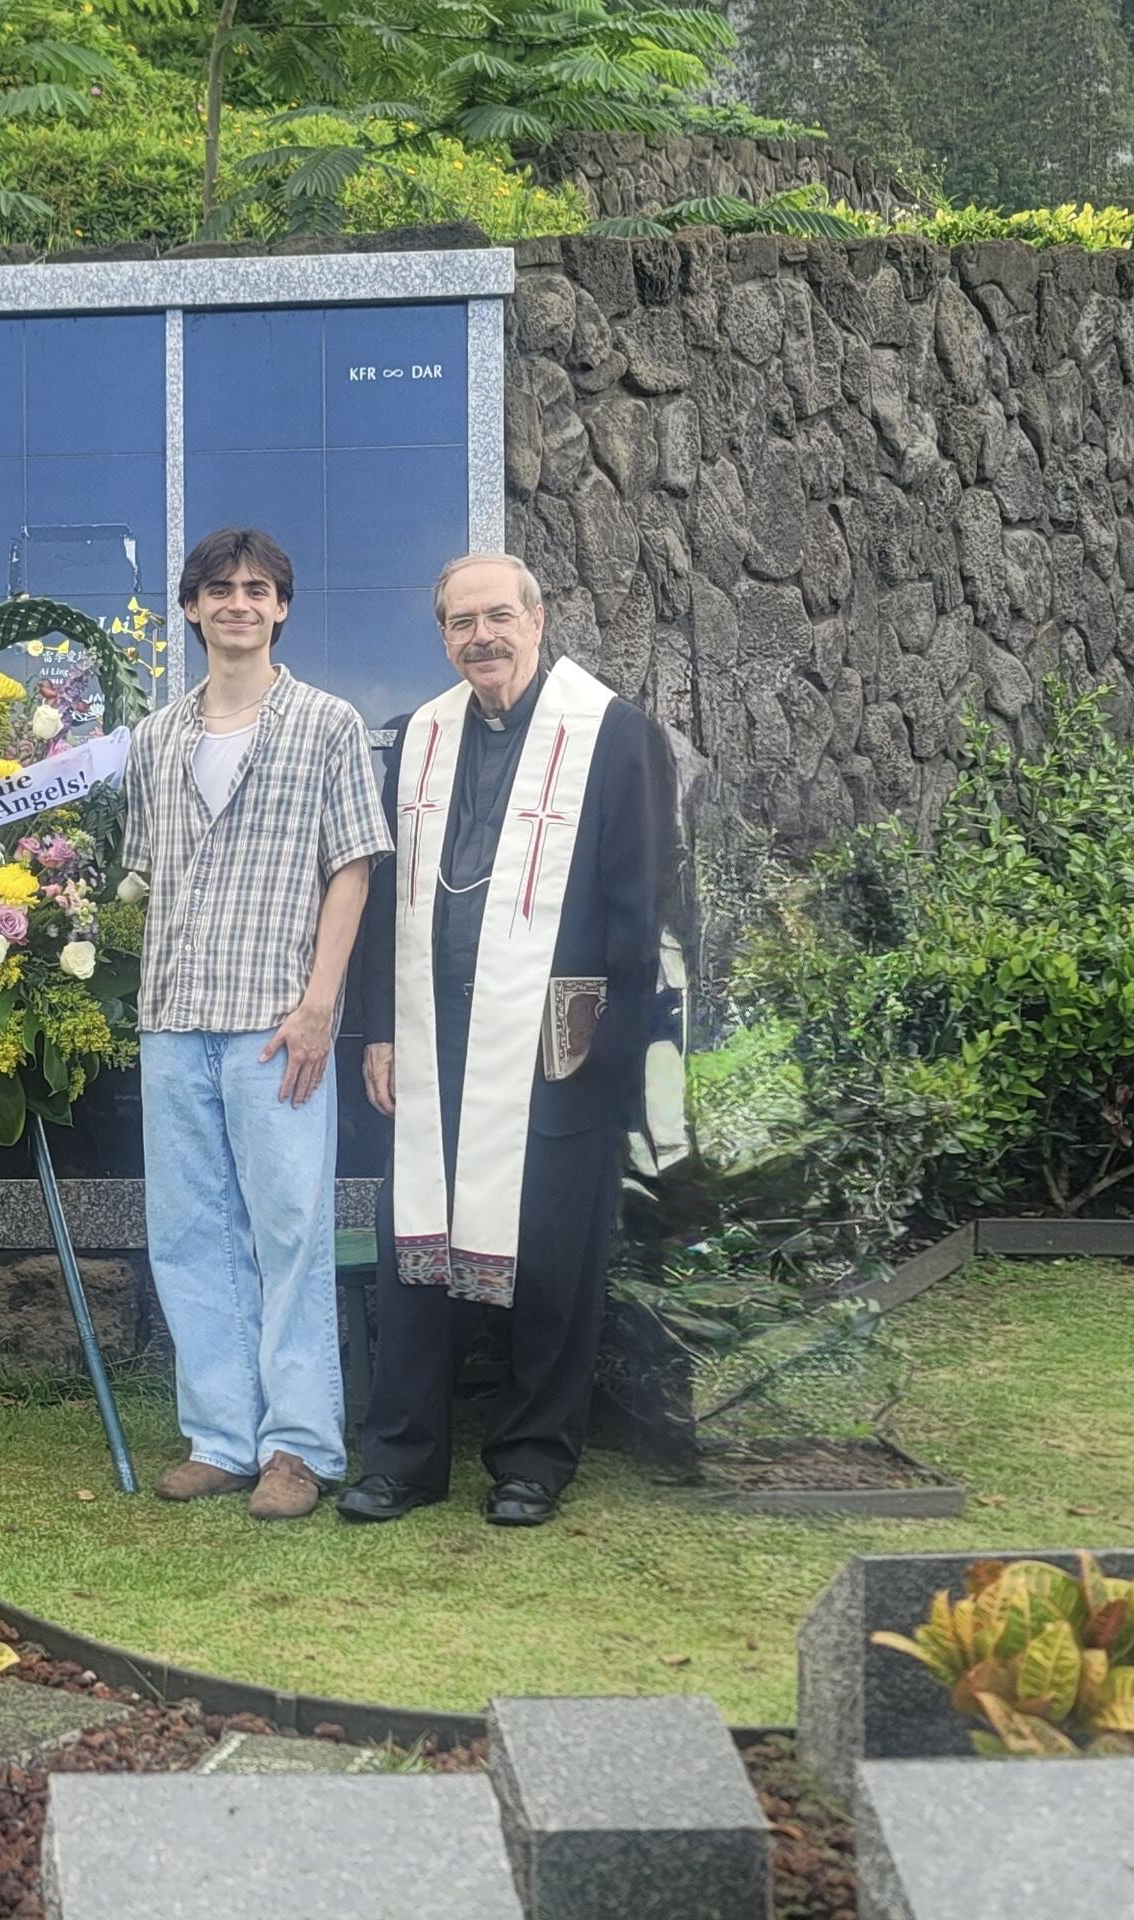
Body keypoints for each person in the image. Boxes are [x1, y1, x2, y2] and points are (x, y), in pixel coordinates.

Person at [341, 553, 679, 1530]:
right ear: (443, 637)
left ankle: (533, 1457)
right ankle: (403, 1456)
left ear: (536, 619)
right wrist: (375, 1030)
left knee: (554, 1253)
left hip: (554, 1033)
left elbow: (642, 901)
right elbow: (379, 906)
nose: (479, 637)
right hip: (426, 1030)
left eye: (497, 616)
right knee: (413, 1250)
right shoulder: (417, 740)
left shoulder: (614, 737)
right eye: (459, 623)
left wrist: (611, 1043)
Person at [122, 527, 391, 1521]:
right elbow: (148, 877)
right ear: (192, 609)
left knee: (288, 1230)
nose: (238, 603)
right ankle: (221, 1438)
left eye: (257, 590)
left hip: (278, 1020)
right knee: (190, 1234)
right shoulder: (156, 738)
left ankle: (298, 1445)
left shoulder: (327, 724)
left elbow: (352, 868)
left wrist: (322, 1003)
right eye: (219, 590)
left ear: (281, 608)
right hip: (174, 1017)